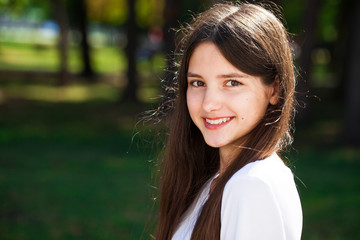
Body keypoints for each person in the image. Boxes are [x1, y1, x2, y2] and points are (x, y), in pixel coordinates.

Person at [153, 2, 302, 240]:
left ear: (275, 89)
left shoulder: (253, 186)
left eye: (232, 83)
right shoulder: (218, 179)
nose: (208, 104)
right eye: (198, 83)